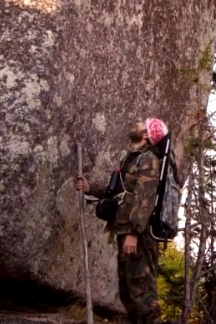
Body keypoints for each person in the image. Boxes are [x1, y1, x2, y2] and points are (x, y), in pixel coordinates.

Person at [75, 118, 168, 324]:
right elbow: (121, 194)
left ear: (146, 136)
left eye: (142, 125)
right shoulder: (133, 159)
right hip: (126, 231)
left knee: (143, 293)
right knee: (128, 292)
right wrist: (92, 190)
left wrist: (133, 233)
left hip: (139, 235)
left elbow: (146, 198)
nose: (136, 123)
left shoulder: (148, 159)